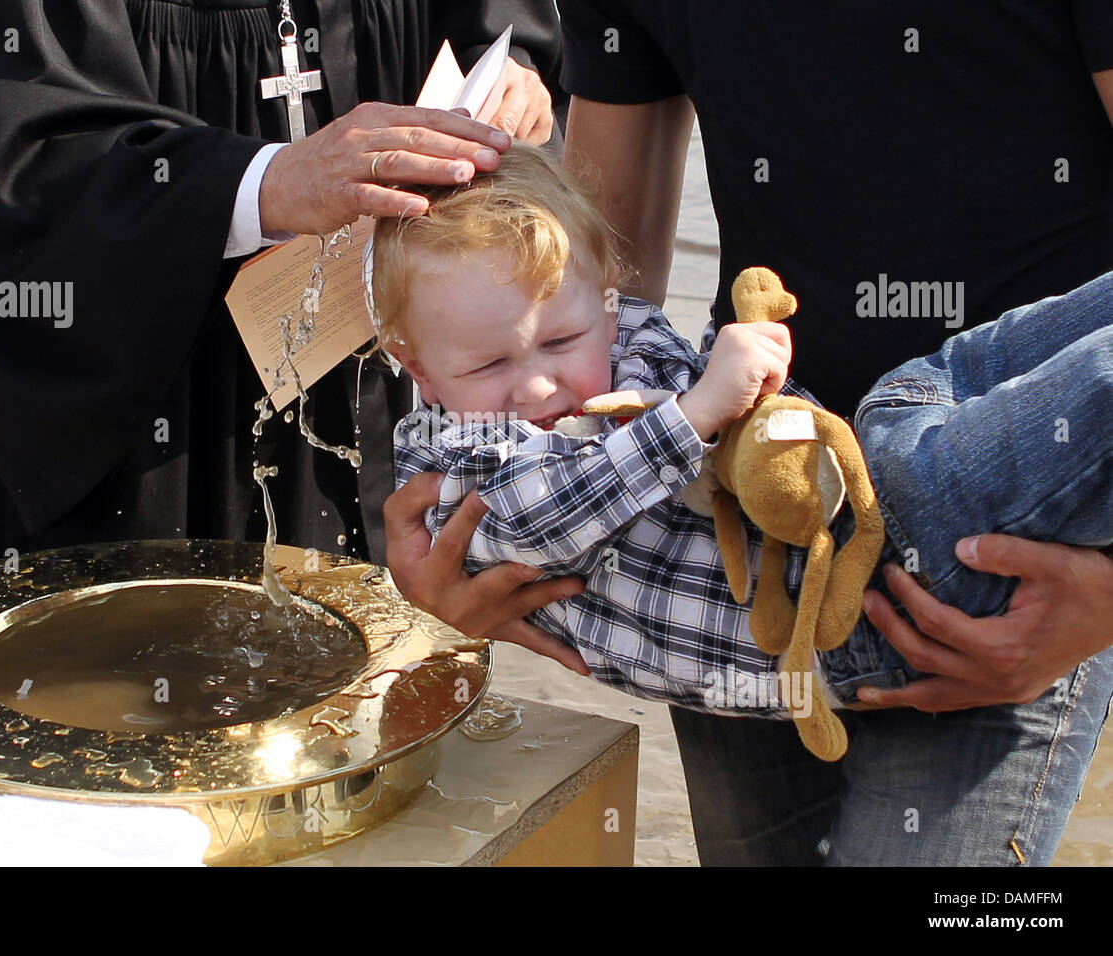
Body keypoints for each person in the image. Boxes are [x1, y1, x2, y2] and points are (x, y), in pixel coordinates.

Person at [382, 2, 1113, 864]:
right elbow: (601, 262)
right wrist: (471, 557)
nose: (540, 377)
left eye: (559, 346)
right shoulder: (527, 395)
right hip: (742, 535)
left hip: (995, 559)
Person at [371, 142, 1113, 751]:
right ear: (421, 370)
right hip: (863, 607)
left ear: (606, 295)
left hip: (869, 447)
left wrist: (756, 396)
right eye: (490, 366)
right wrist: (695, 414)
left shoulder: (618, 329)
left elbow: (698, 385)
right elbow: (538, 513)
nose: (536, 387)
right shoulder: (452, 461)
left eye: (562, 340)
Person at [0, 0, 564, 580]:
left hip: (358, 334)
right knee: (113, 701)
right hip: (119, 380)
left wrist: (510, 73)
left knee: (356, 672)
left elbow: (497, 22)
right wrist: (258, 185)